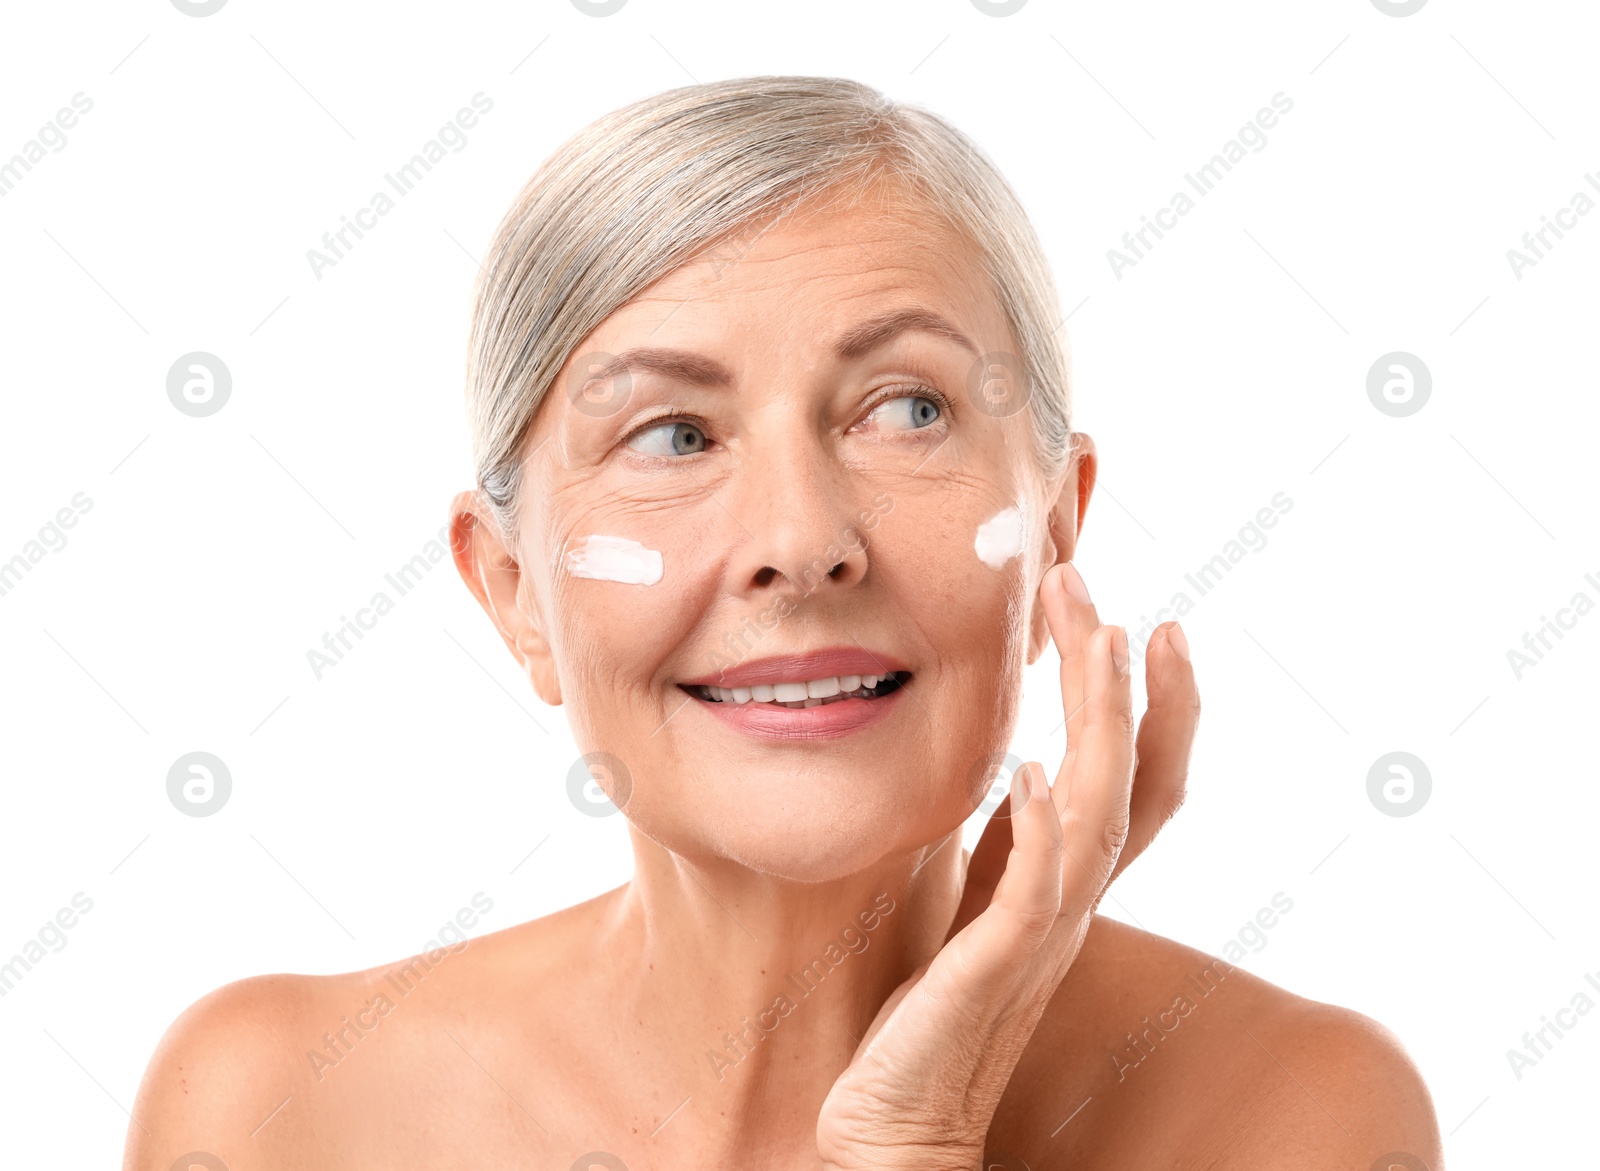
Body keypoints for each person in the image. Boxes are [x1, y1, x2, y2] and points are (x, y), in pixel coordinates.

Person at [125, 76, 1442, 1171]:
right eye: (673, 434)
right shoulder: (272, 1116)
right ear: (514, 595)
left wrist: (914, 1139)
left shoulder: (1295, 1116)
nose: (802, 544)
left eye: (908, 410)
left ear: (1054, 531)